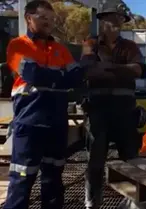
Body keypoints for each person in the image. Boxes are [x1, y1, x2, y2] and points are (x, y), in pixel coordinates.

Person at [3, 1, 85, 209]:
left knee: (54, 183)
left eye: (51, 18)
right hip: (29, 125)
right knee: (22, 180)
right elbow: (32, 74)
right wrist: (61, 76)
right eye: (43, 17)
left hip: (57, 125)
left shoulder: (60, 49)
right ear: (28, 18)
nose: (49, 22)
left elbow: (76, 77)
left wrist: (50, 77)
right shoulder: (17, 45)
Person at [80, 1, 146, 209]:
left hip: (125, 112)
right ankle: (92, 202)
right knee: (95, 163)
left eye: (120, 19)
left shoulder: (130, 46)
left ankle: (132, 203)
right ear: (101, 20)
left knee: (132, 161)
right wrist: (121, 69)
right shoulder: (90, 44)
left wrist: (106, 68)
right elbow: (88, 71)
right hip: (98, 111)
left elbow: (137, 70)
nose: (116, 23)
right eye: (112, 18)